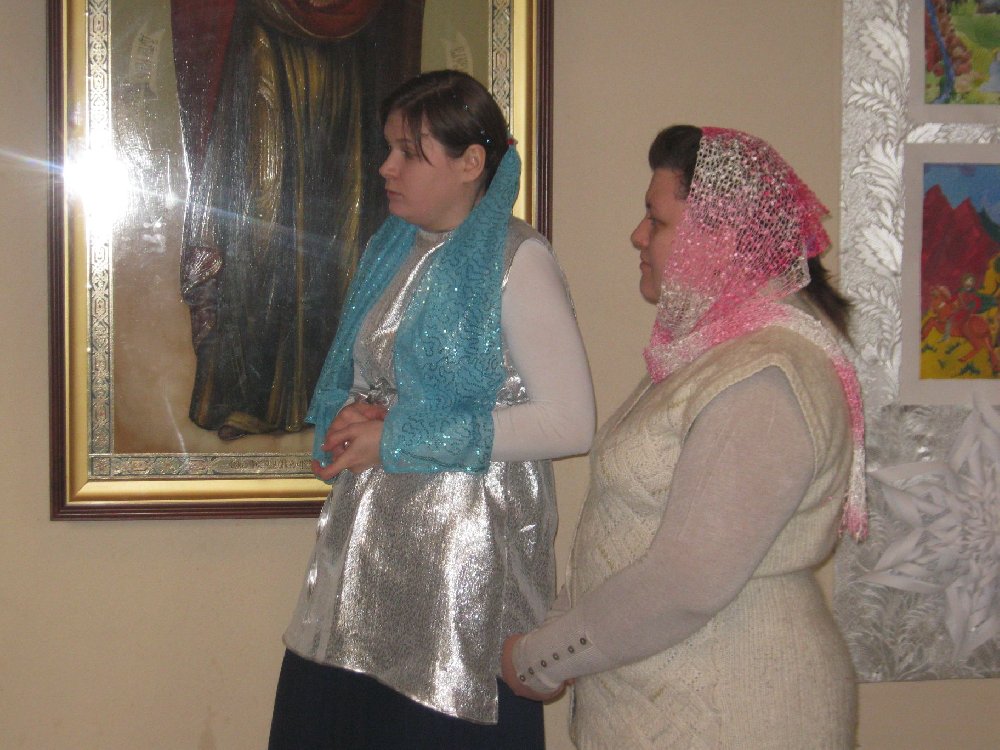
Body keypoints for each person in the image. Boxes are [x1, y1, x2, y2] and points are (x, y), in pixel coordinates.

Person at [501, 125, 867, 748]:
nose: (637, 236)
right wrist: (555, 631)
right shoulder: (711, 354)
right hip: (668, 706)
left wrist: (541, 657)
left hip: (734, 714)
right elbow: (622, 528)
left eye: (657, 219)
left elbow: (684, 582)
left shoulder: (767, 377)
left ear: (720, 240)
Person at [268, 70, 595, 749]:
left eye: (409, 152)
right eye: (389, 148)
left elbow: (570, 422)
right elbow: (395, 386)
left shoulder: (516, 259)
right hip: (369, 557)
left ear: (471, 162)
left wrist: (399, 436)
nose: (386, 167)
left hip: (461, 574)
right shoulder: (392, 248)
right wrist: (364, 414)